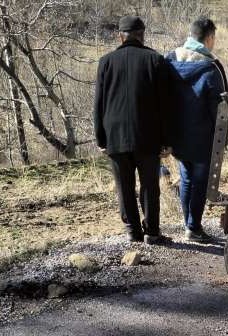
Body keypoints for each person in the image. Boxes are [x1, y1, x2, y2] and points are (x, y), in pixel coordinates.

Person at [94, 16, 171, 244]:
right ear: (142, 35)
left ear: (120, 37)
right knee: (150, 185)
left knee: (124, 186)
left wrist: (101, 138)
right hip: (147, 135)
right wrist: (167, 140)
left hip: (115, 135)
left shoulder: (106, 62)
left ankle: (132, 232)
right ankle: (152, 232)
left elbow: (99, 104)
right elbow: (165, 105)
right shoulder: (155, 60)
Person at [166, 17, 228, 243]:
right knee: (199, 182)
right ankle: (193, 228)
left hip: (177, 135)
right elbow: (221, 108)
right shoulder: (212, 67)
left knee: (186, 178)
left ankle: (189, 225)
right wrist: (222, 140)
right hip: (203, 138)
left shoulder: (170, 59)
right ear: (209, 38)